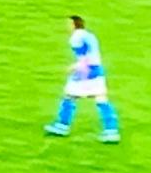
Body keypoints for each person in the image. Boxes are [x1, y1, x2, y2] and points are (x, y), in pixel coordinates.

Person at [44, 15, 121, 143]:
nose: (66, 27)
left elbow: (84, 57)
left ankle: (62, 126)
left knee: (69, 96)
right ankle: (112, 131)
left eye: (68, 24)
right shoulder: (90, 35)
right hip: (97, 70)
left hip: (85, 72)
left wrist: (75, 67)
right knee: (101, 99)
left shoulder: (76, 37)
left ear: (74, 25)